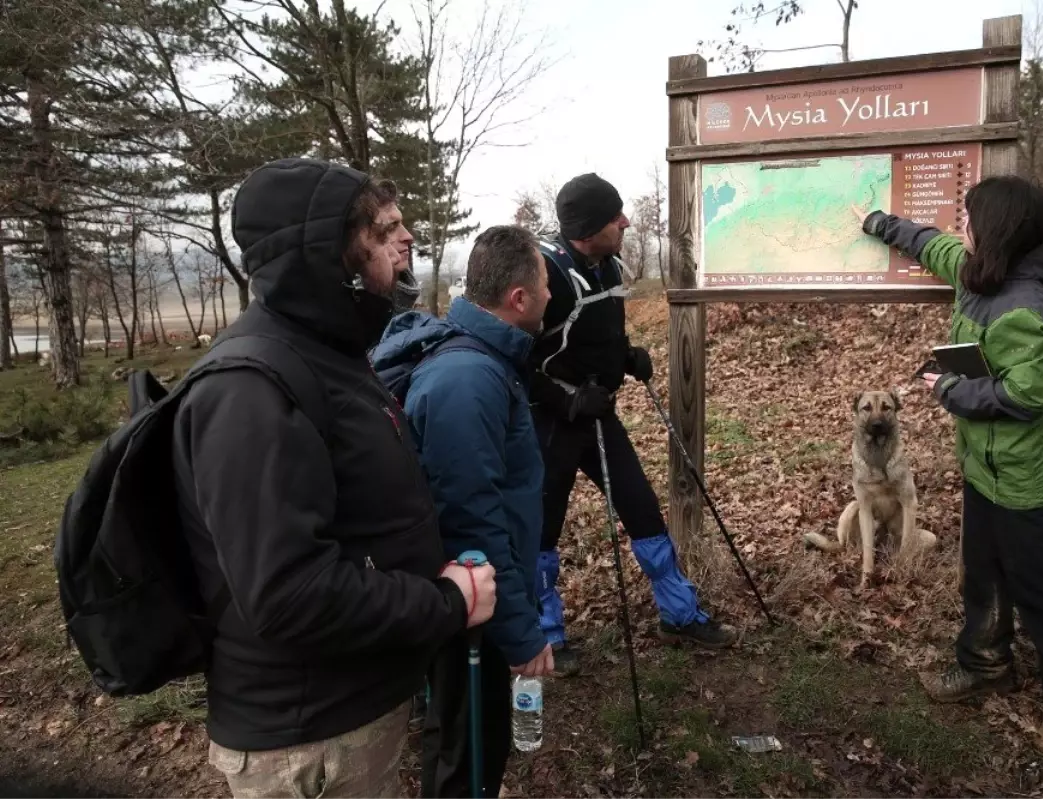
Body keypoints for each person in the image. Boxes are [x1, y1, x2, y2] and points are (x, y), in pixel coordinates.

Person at [174, 156, 497, 798]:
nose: (407, 240)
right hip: (307, 744)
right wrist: (445, 603)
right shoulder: (250, 389)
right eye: (385, 229)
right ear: (329, 253)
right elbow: (287, 593)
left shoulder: (329, 351)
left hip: (346, 718)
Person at [853, 175, 1043, 754]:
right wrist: (880, 224)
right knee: (983, 569)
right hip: (984, 463)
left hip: (1026, 471)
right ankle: (986, 662)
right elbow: (934, 245)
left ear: (995, 231)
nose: (959, 225)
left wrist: (949, 389)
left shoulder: (1025, 307)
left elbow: (1025, 395)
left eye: (968, 218)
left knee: (1039, 582)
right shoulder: (977, 271)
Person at [372, 225, 553, 798]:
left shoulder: (486, 363)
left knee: (467, 740)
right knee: (466, 750)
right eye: (545, 284)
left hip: (479, 601)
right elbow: (470, 522)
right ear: (518, 299)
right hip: (468, 609)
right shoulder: (467, 378)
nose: (552, 295)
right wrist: (521, 632)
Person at [529, 173, 735, 677]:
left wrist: (626, 356)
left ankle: (678, 614)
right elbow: (517, 360)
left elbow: (597, 335)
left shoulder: (608, 265)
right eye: (614, 215)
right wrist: (566, 400)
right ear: (586, 227)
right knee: (541, 531)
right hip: (552, 425)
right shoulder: (547, 274)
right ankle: (545, 636)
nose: (625, 221)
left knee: (641, 508)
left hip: (600, 415)